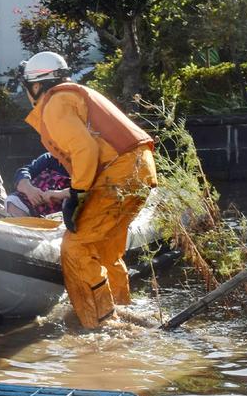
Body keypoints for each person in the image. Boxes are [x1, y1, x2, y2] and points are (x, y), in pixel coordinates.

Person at [19, 51, 157, 329]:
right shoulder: (75, 94)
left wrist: (78, 193)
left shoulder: (54, 103)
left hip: (117, 173)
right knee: (106, 249)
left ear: (35, 86)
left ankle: (102, 321)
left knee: (75, 246)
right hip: (140, 169)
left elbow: (85, 148)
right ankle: (122, 309)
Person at [5, 152, 71, 217]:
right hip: (31, 206)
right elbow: (24, 171)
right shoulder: (50, 158)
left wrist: (60, 194)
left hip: (63, 214)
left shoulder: (80, 167)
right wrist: (28, 189)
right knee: (13, 201)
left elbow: (78, 192)